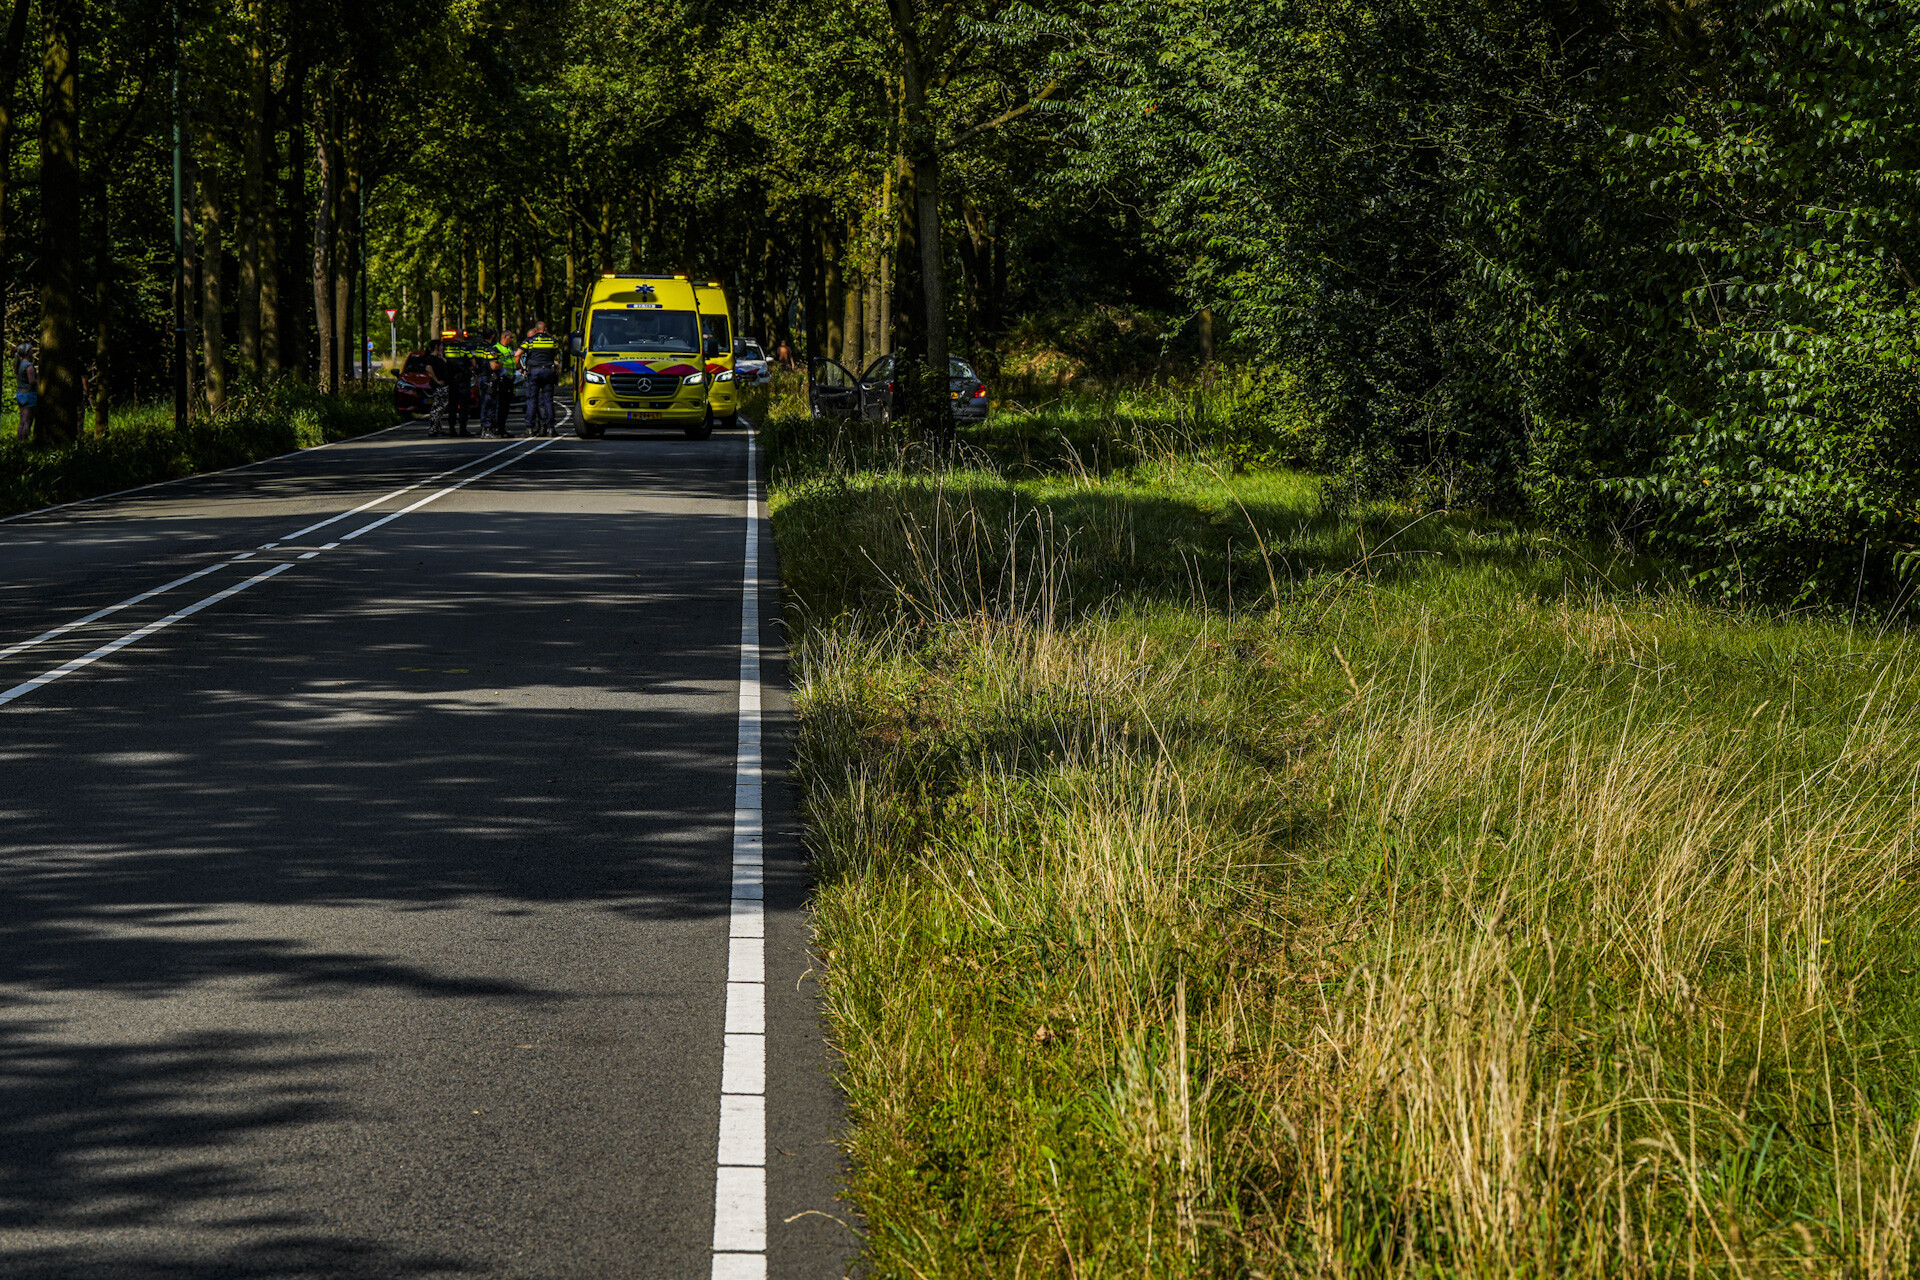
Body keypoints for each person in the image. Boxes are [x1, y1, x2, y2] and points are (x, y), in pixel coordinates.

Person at [518, 321, 562, 437]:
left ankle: (529, 428)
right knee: (548, 400)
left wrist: (521, 369)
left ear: (536, 330)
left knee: (532, 400)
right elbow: (557, 356)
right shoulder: (553, 341)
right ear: (545, 329)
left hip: (534, 372)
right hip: (548, 371)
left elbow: (517, 355)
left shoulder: (530, 341)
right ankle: (550, 428)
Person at [422, 341, 454, 436]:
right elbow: (428, 369)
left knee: (442, 406)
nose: (443, 347)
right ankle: (433, 428)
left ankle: (437, 427)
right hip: (438, 385)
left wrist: (442, 357)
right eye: (441, 346)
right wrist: (437, 380)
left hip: (444, 384)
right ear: (436, 346)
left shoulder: (438, 358)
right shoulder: (431, 358)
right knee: (437, 406)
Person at [13, 342, 34, 442]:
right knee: (27, 421)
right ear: (27, 352)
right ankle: (24, 442)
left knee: (22, 421)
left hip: (20, 394)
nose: (32, 352)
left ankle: (19, 442)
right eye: (31, 350)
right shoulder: (29, 366)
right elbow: (32, 381)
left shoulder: (19, 365)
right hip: (28, 395)